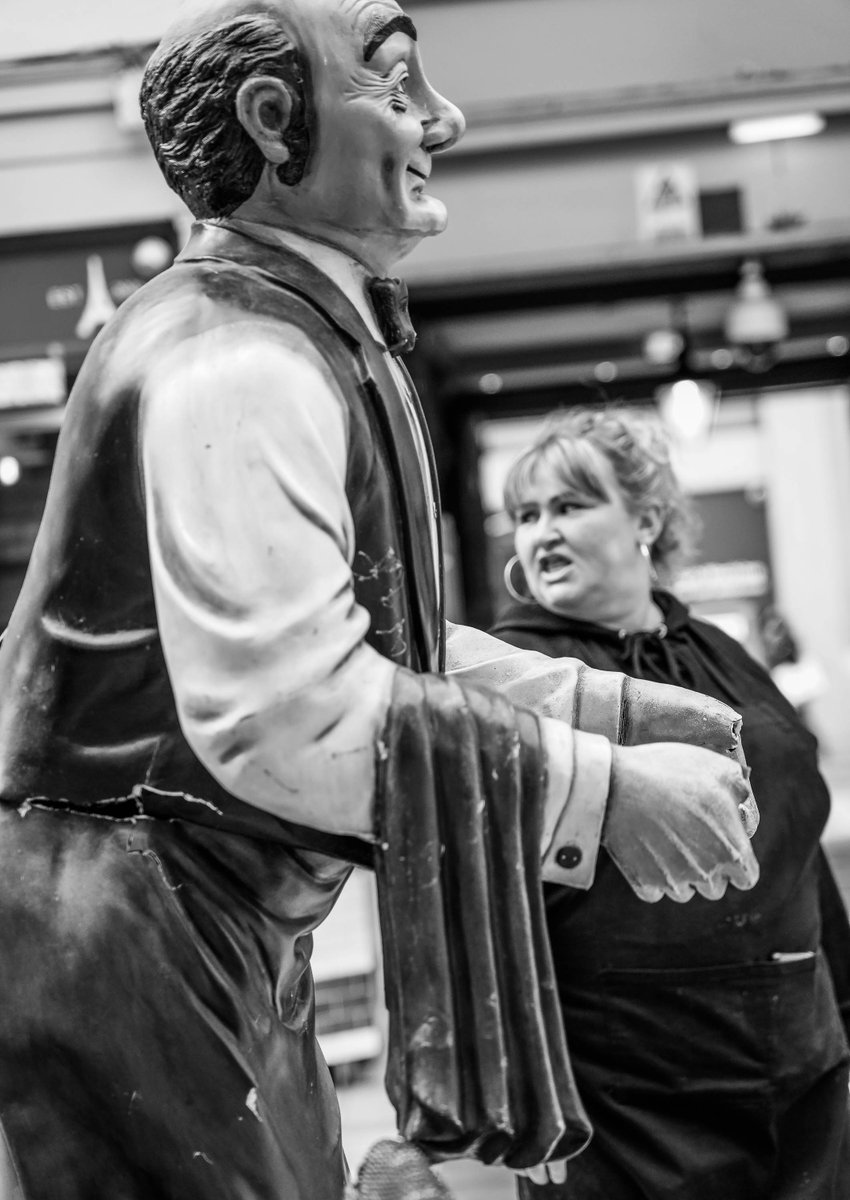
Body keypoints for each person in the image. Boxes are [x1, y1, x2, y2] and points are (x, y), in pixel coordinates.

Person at [0, 5, 759, 1198]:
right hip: (127, 944)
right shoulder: (235, 362)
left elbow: (361, 637)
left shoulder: (288, 332)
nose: (442, 121)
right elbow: (282, 714)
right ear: (271, 123)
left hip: (203, 933)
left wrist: (602, 706)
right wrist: (601, 791)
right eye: (397, 89)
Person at [491, 406, 850, 1200]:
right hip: (624, 1096)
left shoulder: (724, 656)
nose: (541, 532)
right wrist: (520, 1090)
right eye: (525, 515)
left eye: (569, 505)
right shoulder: (515, 676)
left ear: (646, 518)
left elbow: (799, 853)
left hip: (796, 1064)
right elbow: (483, 898)